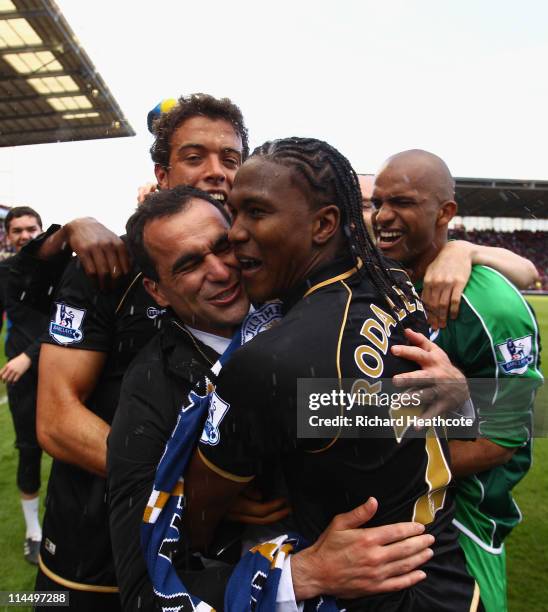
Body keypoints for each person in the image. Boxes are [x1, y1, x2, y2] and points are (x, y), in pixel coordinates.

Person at [184, 137, 480, 611]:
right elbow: (372, 415)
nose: (235, 233)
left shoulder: (277, 362)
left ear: (323, 224)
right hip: (452, 583)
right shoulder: (394, 281)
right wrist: (462, 400)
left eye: (256, 213)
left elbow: (198, 514)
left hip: (368, 595)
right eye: (233, 213)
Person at [108, 185, 436, 610]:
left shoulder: (322, 310)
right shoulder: (150, 391)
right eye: (190, 264)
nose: (222, 271)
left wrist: (453, 394)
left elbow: (496, 423)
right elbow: (141, 592)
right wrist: (299, 575)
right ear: (156, 290)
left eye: (223, 246)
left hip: (417, 583)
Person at [371, 149, 543, 612]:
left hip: (462, 518)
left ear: (445, 212)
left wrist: (388, 471)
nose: (383, 216)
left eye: (403, 202)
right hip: (389, 509)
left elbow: (500, 440)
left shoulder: (493, 309)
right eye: (378, 202)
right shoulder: (378, 282)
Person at [0, 206, 44, 564]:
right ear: (9, 236)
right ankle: (34, 531)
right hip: (21, 377)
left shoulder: (61, 268)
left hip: (63, 370)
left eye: (31, 228)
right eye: (17, 230)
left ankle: (76, 522)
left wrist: (29, 354)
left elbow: (69, 320)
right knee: (29, 450)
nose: (25, 235)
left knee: (71, 451)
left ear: (41, 229)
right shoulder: (3, 273)